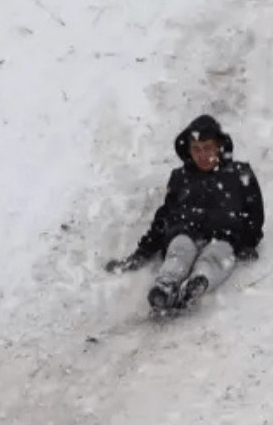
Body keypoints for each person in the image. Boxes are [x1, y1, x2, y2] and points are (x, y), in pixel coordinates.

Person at [105, 114, 264, 310]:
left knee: (217, 255)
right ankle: (165, 285)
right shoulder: (181, 178)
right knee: (179, 250)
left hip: (224, 237)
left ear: (219, 147)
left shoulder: (240, 173)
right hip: (186, 232)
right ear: (188, 151)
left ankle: (197, 283)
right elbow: (164, 218)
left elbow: (255, 213)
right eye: (196, 149)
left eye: (207, 148)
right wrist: (142, 253)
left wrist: (248, 242)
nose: (202, 155)